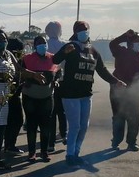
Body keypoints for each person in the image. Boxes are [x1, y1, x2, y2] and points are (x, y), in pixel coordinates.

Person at [53, 21, 125, 167]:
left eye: (85, 29)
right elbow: (55, 60)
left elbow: (102, 70)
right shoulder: (70, 46)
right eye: (80, 30)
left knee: (84, 126)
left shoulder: (93, 51)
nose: (83, 32)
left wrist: (115, 81)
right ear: (75, 32)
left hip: (86, 94)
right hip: (71, 94)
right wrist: (63, 52)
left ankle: (76, 153)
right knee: (75, 126)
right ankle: (70, 154)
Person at [0, 29, 44, 170]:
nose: (3, 42)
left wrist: (34, 75)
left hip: (3, 97)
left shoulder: (8, 55)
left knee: (1, 130)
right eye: (0, 39)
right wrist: (1, 75)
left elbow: (19, 70)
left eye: (5, 39)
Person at [21, 34, 59, 162]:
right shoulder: (26, 59)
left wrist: (57, 80)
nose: (42, 45)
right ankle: (31, 153)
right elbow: (19, 72)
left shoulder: (53, 58)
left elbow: (58, 72)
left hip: (47, 97)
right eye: (39, 43)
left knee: (45, 126)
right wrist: (25, 80)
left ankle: (44, 152)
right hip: (30, 97)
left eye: (44, 43)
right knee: (31, 125)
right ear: (34, 46)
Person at [45, 21, 66, 151]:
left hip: (49, 81)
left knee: (51, 113)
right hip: (63, 80)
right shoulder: (64, 44)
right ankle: (64, 135)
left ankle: (50, 142)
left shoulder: (45, 44)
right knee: (62, 111)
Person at [4, 37, 26, 154]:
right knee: (6, 123)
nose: (19, 53)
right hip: (4, 96)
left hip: (16, 96)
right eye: (17, 51)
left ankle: (10, 144)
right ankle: (7, 145)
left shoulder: (21, 62)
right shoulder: (5, 61)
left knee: (17, 121)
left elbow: (24, 74)